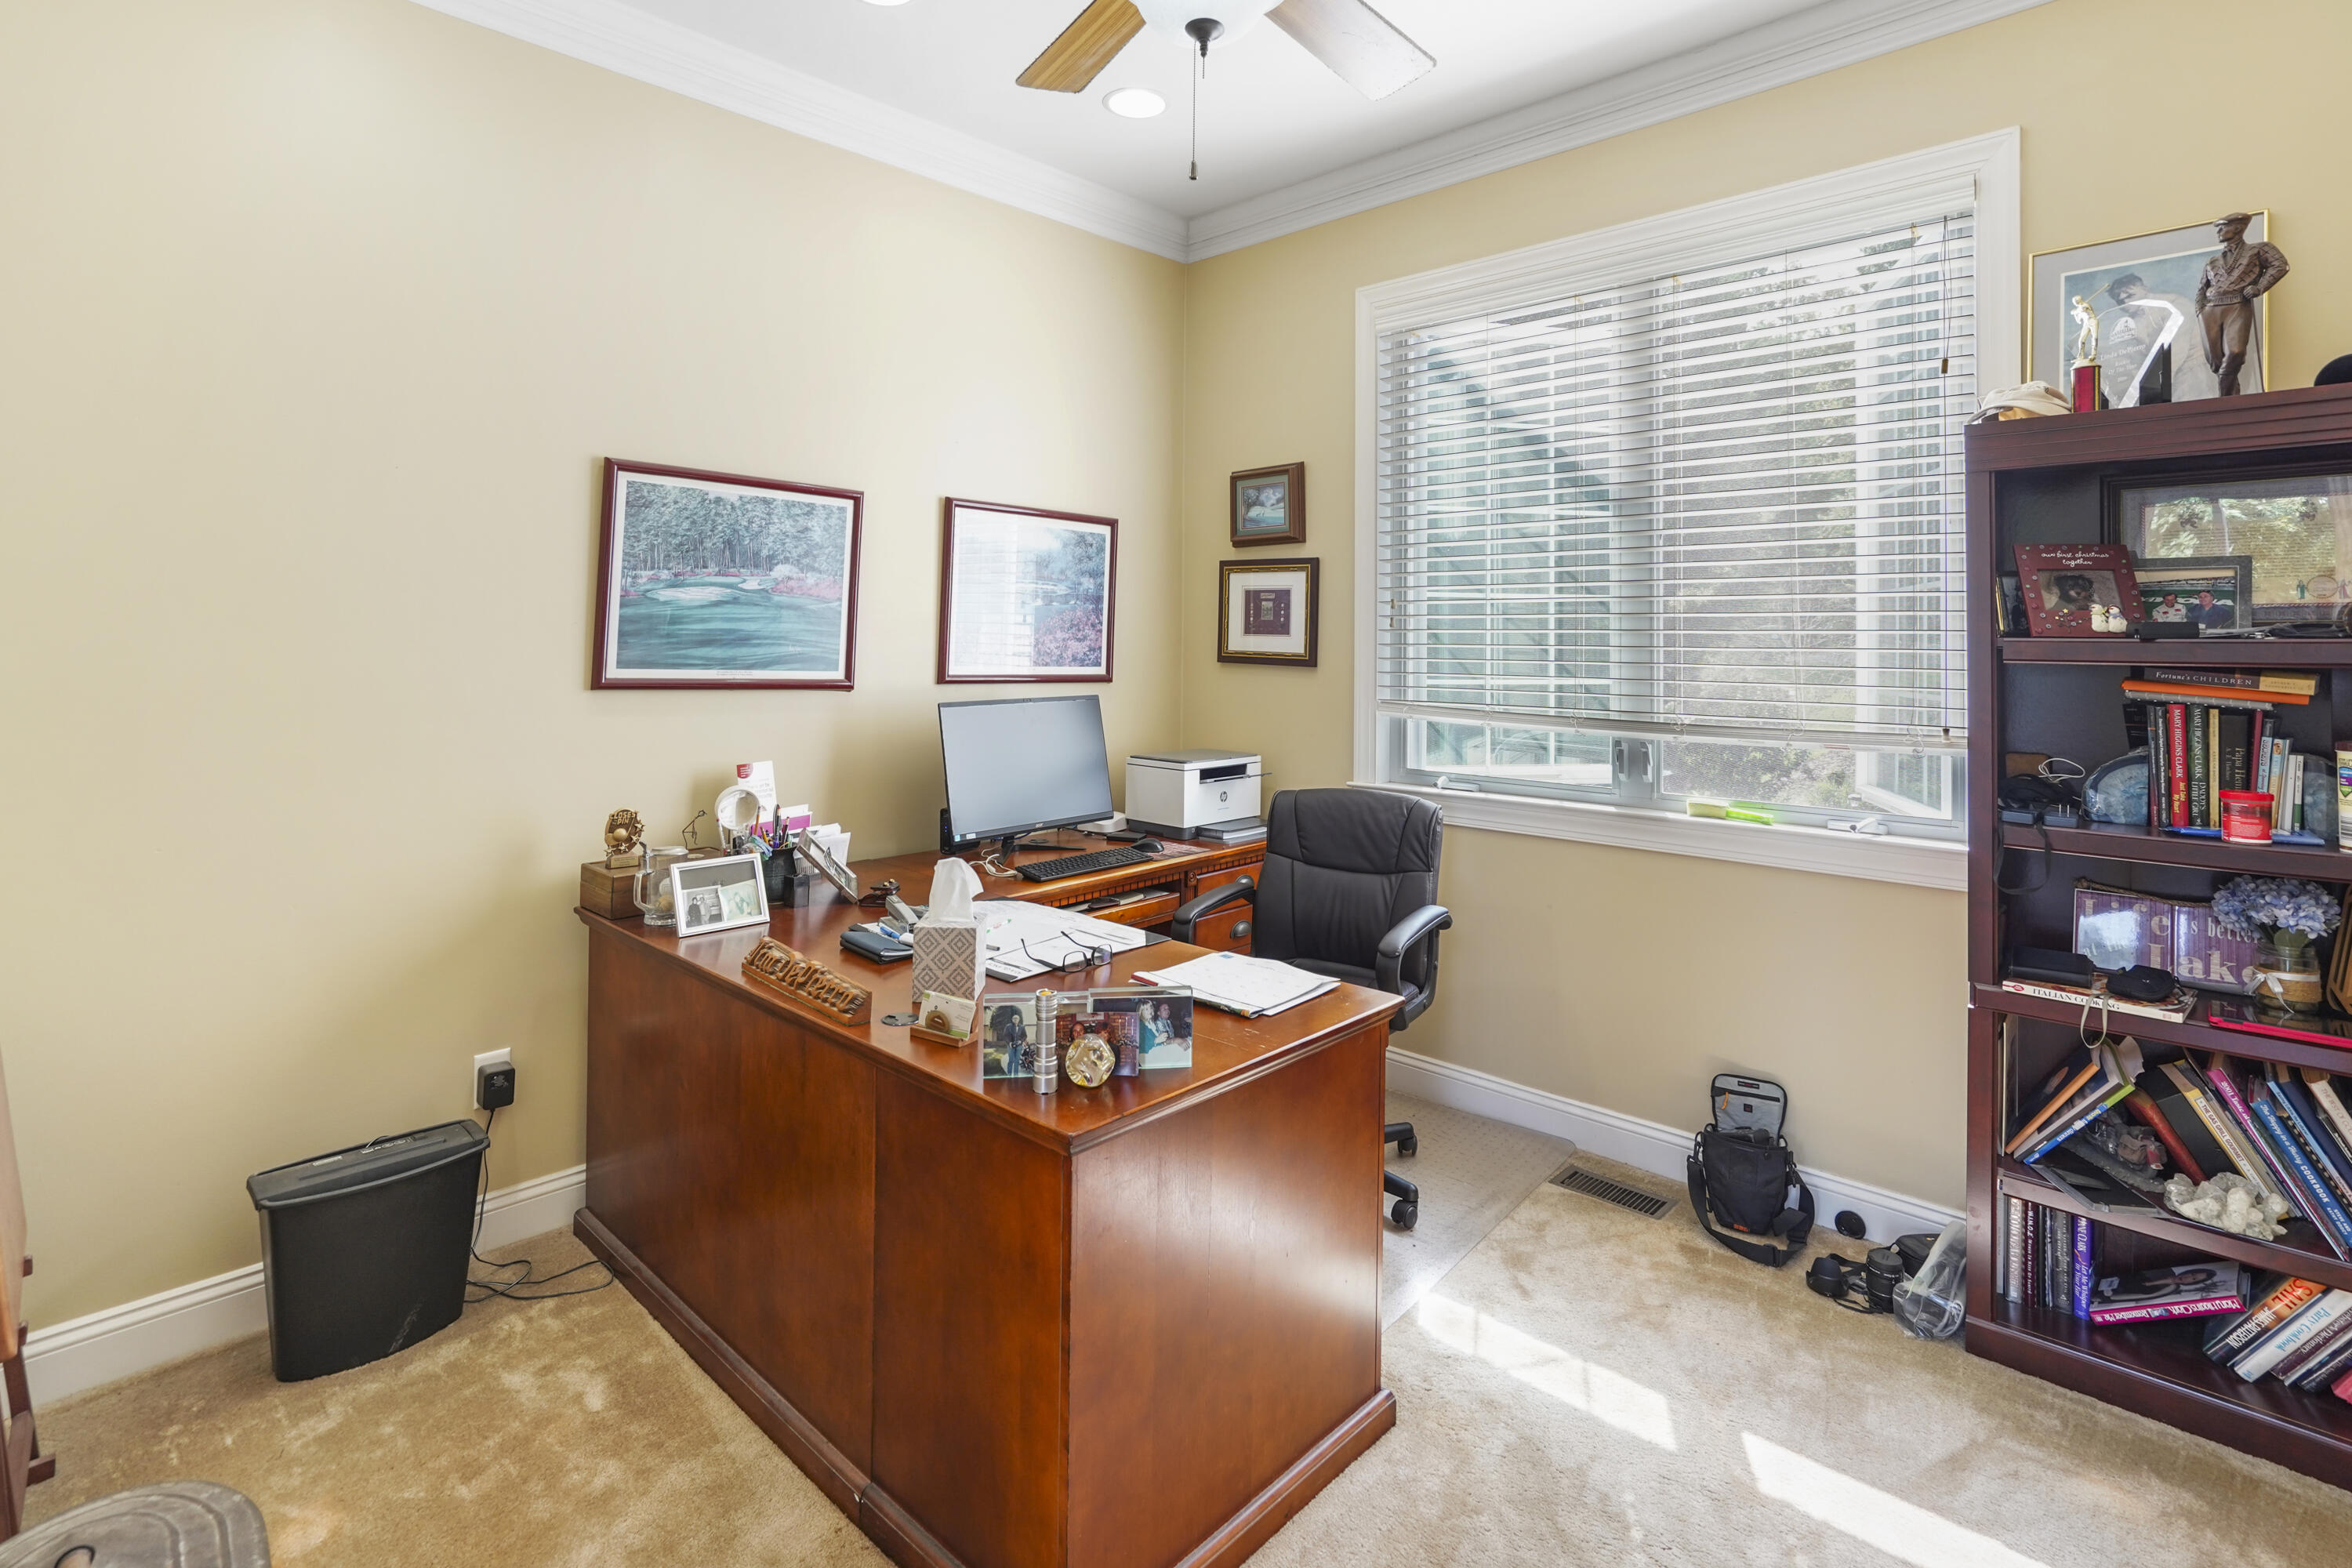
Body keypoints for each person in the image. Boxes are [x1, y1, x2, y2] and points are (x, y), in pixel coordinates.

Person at [2197, 213, 2288, 397]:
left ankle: (2225, 402)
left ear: (2238, 228)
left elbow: (2280, 265)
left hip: (2238, 305)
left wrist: (2260, 287)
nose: (2219, 232)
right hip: (2210, 309)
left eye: (2223, 227)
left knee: (2236, 352)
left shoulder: (2258, 250)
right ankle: (2232, 400)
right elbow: (2202, 287)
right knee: (2215, 361)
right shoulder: (2212, 261)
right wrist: (2200, 309)